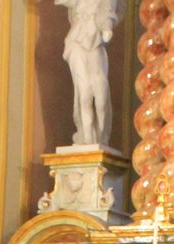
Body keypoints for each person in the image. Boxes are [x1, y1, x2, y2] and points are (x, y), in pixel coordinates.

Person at [57, 0, 120, 146]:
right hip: (77, 41)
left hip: (96, 41)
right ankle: (87, 138)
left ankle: (101, 137)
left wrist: (107, 27)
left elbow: (109, 10)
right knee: (84, 91)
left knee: (101, 97)